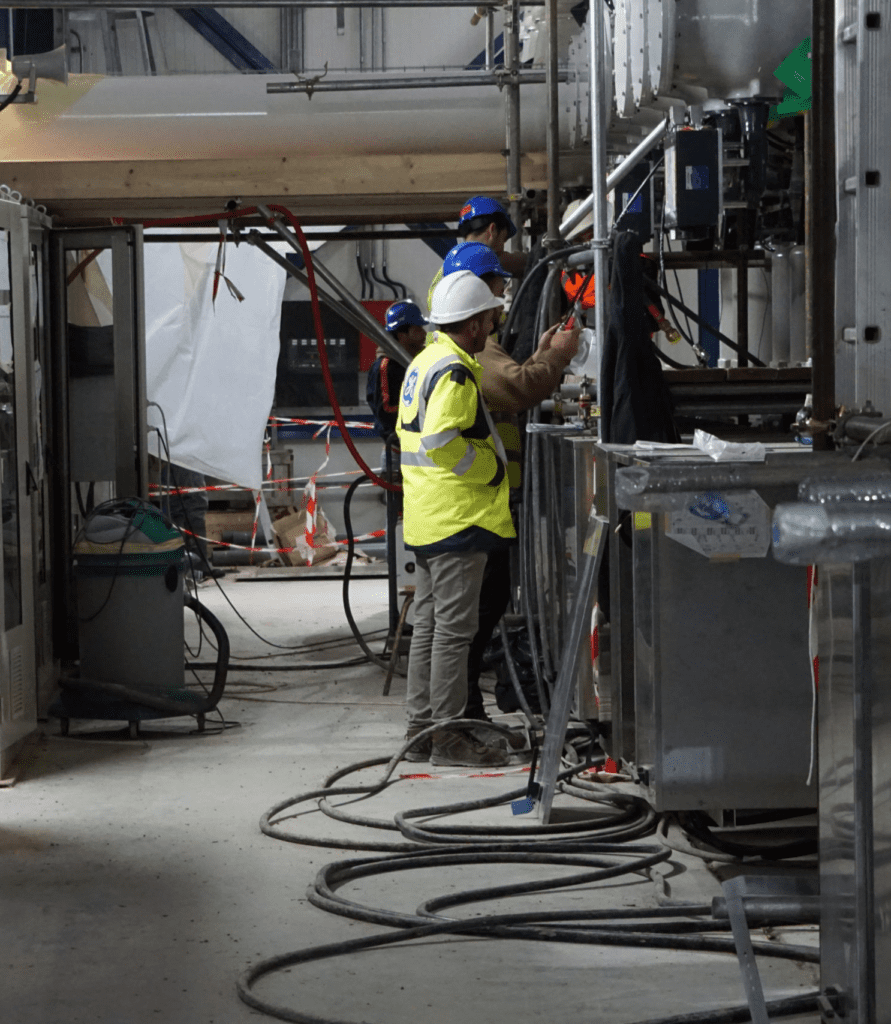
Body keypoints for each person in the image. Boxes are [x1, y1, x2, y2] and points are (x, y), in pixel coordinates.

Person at [438, 240, 582, 726]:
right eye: (498, 286)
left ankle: (450, 716)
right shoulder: (467, 351)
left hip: (471, 503)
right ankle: (459, 717)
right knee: (474, 613)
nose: (504, 297)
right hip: (471, 505)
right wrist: (557, 359)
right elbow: (516, 388)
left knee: (471, 612)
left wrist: (542, 352)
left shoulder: (465, 344)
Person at [396, 271, 516, 768]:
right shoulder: (455, 371)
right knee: (452, 632)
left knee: (428, 627)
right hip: (458, 520)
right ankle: (447, 739)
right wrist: (487, 472)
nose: (493, 325)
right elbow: (442, 440)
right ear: (470, 324)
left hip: (429, 520)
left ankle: (421, 729)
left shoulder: (425, 360)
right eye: (489, 317)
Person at [366, 300, 428, 442]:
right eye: (417, 329)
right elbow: (386, 411)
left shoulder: (412, 362)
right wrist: (426, 405)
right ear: (402, 335)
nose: (424, 334)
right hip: (398, 448)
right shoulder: (386, 366)